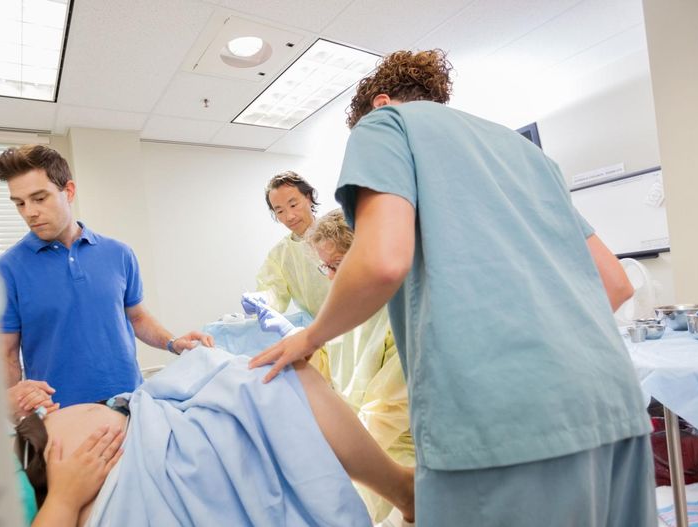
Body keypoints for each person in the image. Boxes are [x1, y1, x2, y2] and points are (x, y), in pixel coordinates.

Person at [250, 49, 655, 526]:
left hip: (505, 420)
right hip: (612, 402)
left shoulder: (385, 124)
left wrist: (311, 336)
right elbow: (615, 282)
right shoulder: (524, 152)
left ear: (381, 103)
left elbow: (382, 262)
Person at [20, 347, 415, 526]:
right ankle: (403, 490)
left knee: (272, 375)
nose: (31, 212)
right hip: (127, 480)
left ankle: (401, 488)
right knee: (273, 382)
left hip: (142, 420)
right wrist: (64, 499)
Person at [0, 145, 212, 407]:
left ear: (68, 191)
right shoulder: (5, 270)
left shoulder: (119, 253)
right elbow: (6, 355)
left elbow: (137, 317)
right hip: (60, 413)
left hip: (129, 403)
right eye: (20, 203)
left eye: (39, 198)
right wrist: (14, 410)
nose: (29, 212)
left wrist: (173, 343)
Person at [245, 209, 414, 522]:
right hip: (359, 441)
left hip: (395, 450)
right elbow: (332, 360)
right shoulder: (350, 310)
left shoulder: (401, 315)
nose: (331, 277)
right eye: (326, 267)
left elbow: (387, 411)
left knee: (341, 509)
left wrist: (336, 451)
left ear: (363, 256)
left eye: (337, 265)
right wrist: (298, 343)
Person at [250, 171, 329, 317]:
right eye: (280, 211)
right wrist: (261, 300)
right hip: (317, 327)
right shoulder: (279, 255)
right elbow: (273, 292)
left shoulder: (339, 233)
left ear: (308, 198)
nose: (289, 217)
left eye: (293, 205)